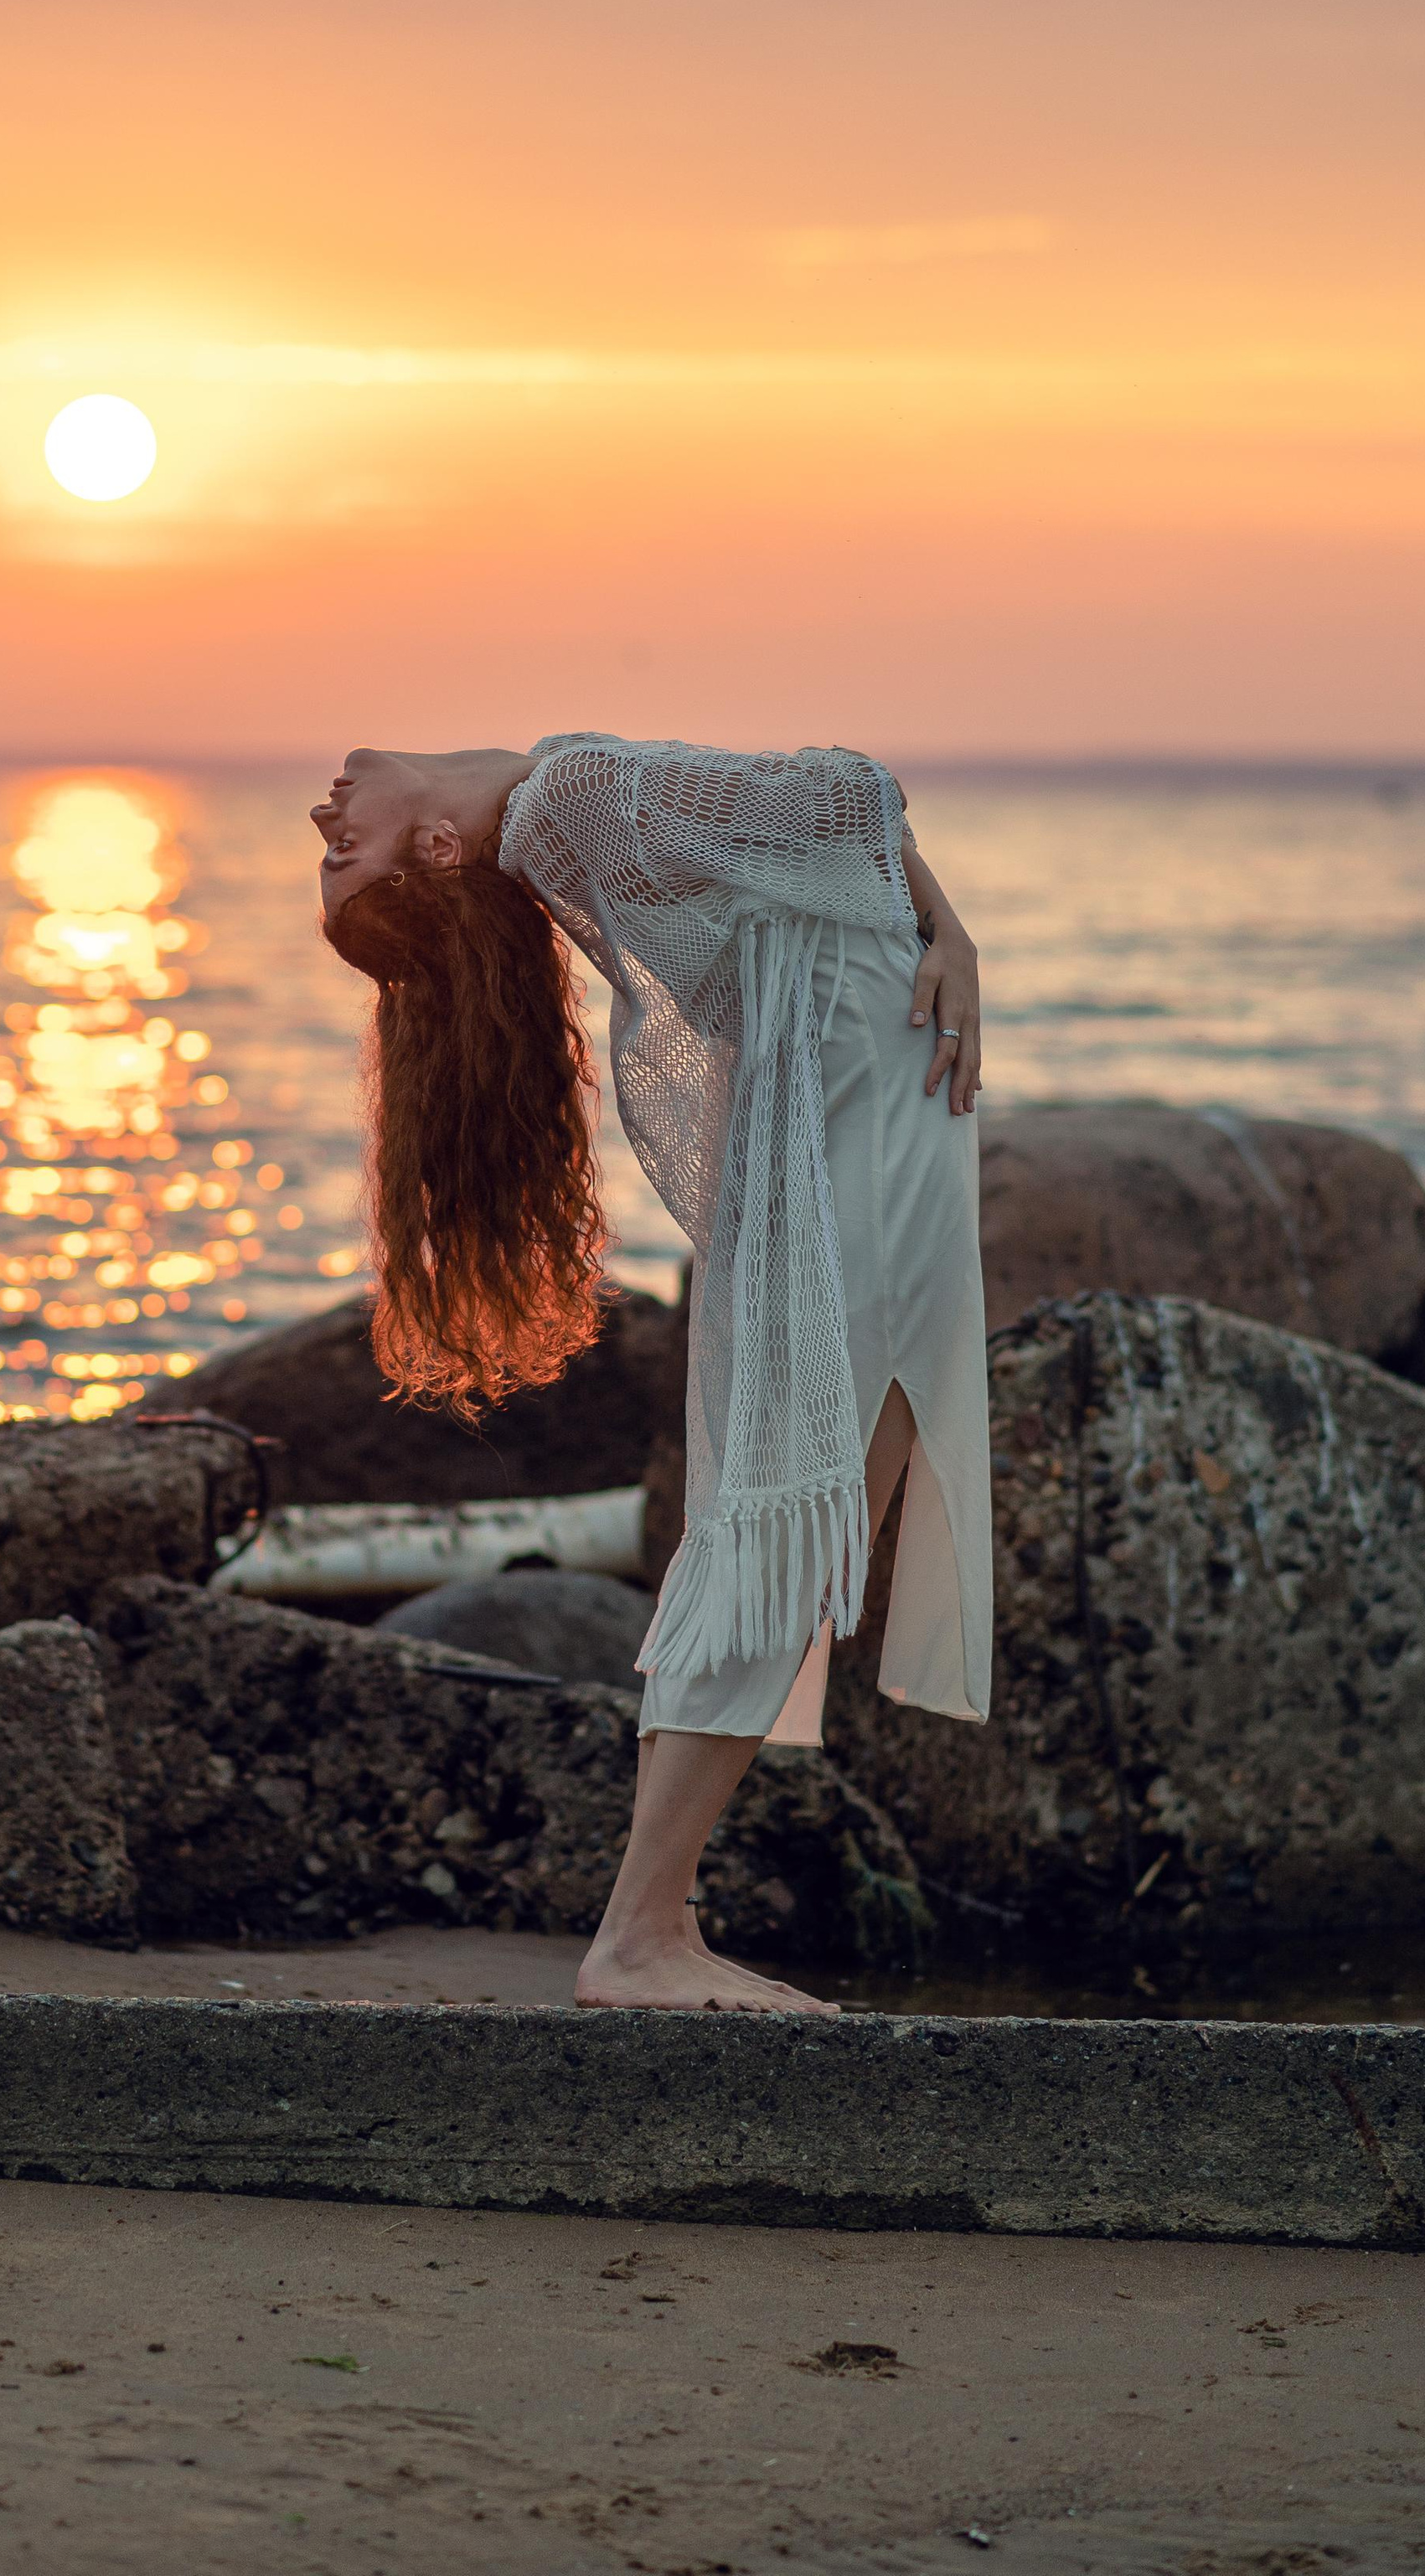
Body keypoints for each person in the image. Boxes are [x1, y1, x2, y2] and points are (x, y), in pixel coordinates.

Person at [314, 734, 990, 2014]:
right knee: (797, 1505)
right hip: (865, 1146)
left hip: (850, 1124)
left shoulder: (565, 827)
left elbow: (818, 845)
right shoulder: (572, 796)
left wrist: (941, 934)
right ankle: (638, 1936)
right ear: (446, 851)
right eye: (343, 851)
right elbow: (849, 791)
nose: (322, 810)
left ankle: (657, 1919)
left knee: (800, 1501)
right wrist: (946, 927)